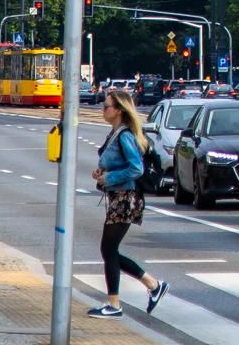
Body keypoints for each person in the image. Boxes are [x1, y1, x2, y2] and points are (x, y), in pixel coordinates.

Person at [89, 90, 167, 318]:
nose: (103, 110)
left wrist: (110, 178)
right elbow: (118, 163)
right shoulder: (115, 132)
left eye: (106, 107)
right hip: (119, 196)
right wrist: (102, 172)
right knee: (109, 249)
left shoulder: (124, 135)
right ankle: (153, 286)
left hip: (126, 198)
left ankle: (115, 304)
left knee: (108, 249)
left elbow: (136, 168)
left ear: (119, 110)